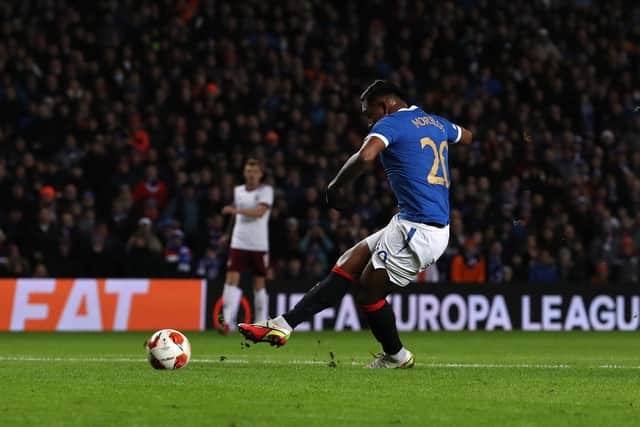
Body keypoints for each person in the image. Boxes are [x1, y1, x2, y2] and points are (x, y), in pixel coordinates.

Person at [239, 80, 472, 368]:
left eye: (369, 114)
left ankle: (397, 356)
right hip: (410, 222)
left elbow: (366, 155)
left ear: (385, 105)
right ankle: (283, 324)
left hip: (421, 230)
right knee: (348, 262)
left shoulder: (392, 123)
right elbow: (467, 136)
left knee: (368, 294)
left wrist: (335, 187)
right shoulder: (436, 123)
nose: (370, 121)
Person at [220, 159, 274, 334]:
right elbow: (235, 218)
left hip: (258, 244)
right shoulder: (238, 191)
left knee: (259, 283)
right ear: (244, 173)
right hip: (239, 241)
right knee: (231, 279)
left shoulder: (266, 191)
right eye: (248, 171)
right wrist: (227, 235)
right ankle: (227, 322)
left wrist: (236, 210)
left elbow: (260, 212)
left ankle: (260, 324)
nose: (251, 174)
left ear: (260, 174)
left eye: (255, 171)